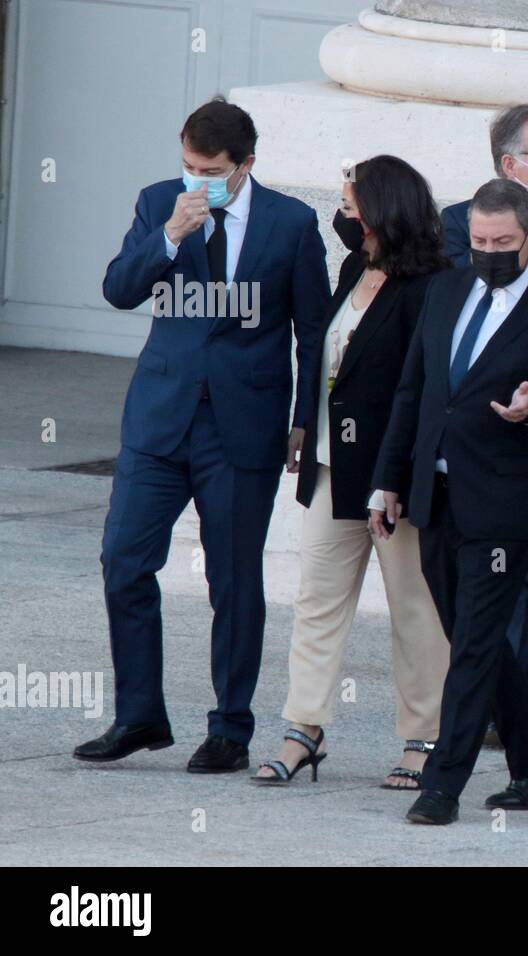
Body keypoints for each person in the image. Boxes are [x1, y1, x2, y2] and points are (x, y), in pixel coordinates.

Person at [78, 98, 329, 772]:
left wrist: (304, 418)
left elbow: (312, 331)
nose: (199, 181)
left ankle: (230, 728)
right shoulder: (161, 201)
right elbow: (118, 290)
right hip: (160, 421)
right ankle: (138, 715)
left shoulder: (292, 222)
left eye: (213, 171)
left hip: (242, 428)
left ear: (246, 164)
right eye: (190, 166)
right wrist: (168, 236)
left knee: (234, 581)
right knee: (124, 562)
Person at [369, 179, 528, 825]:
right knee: (474, 638)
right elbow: (414, 391)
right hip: (436, 496)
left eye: (503, 243)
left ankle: (443, 780)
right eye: (480, 241)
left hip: (507, 502)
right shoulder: (445, 289)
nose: (488, 252)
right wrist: (388, 481)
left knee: (474, 644)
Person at [251, 155, 452, 788]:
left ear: (384, 209)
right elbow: (328, 362)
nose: (342, 213)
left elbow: (419, 391)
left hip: (391, 480)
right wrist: (304, 429)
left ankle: (423, 740)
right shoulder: (352, 267)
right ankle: (302, 730)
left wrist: (394, 476)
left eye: (351, 203)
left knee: (413, 609)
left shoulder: (431, 286)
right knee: (316, 601)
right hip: (334, 466)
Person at [442, 104, 528, 741]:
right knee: (473, 586)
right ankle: (507, 707)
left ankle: (513, 703)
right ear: (510, 163)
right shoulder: (458, 229)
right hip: (480, 442)